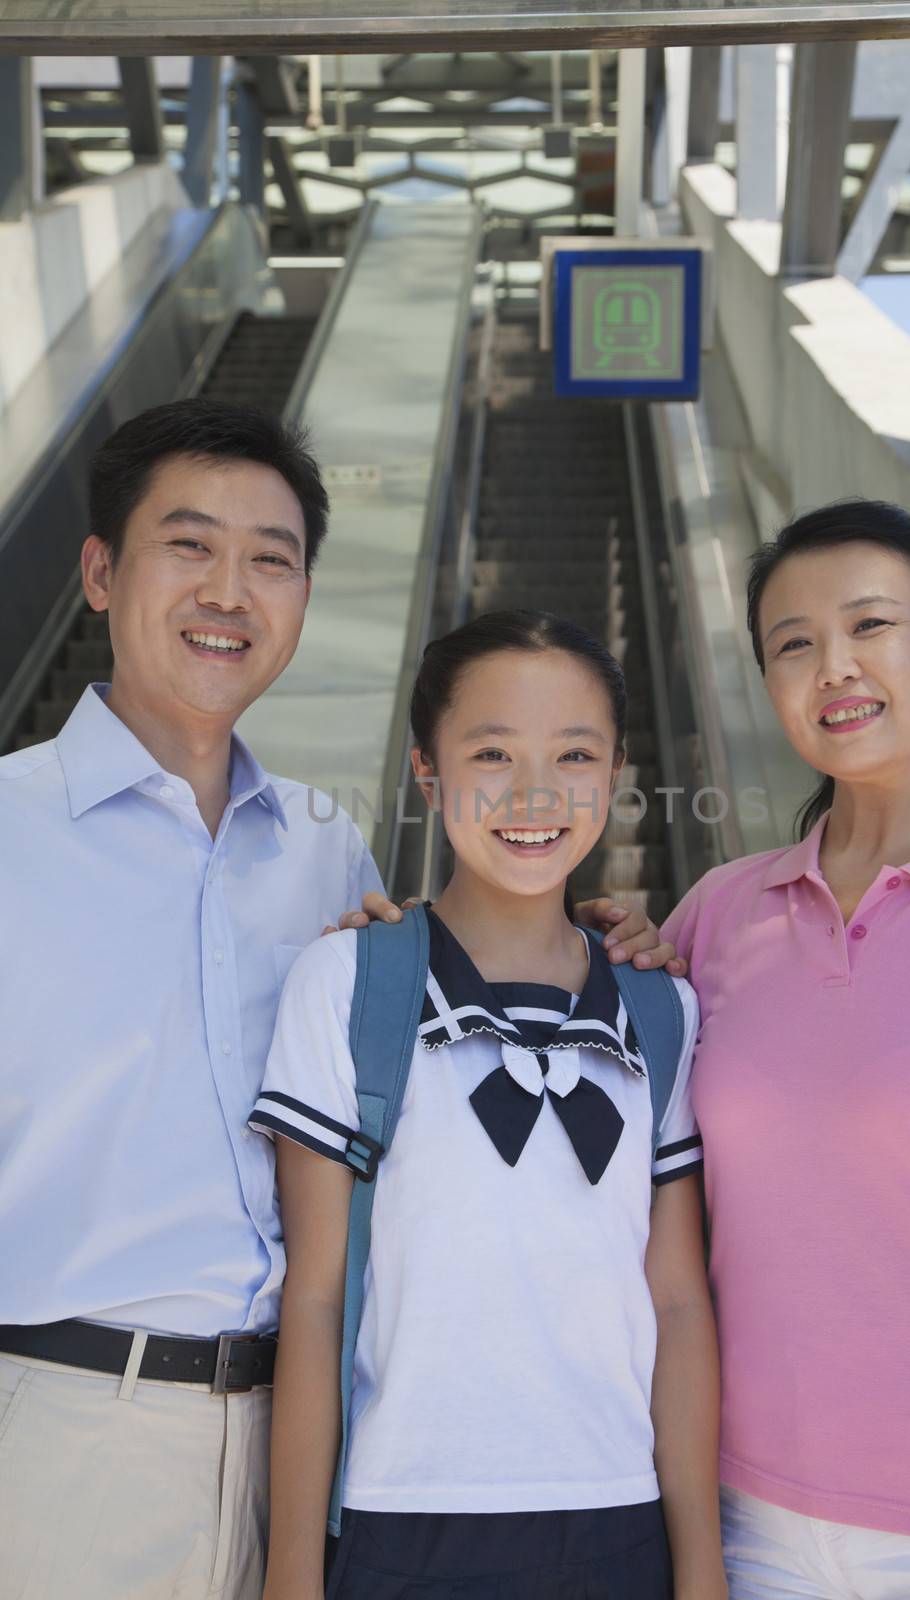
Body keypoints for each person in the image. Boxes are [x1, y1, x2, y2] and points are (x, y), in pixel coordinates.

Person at [0, 401, 672, 1600]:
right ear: (100, 572)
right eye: (188, 546)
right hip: (60, 1428)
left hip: (316, 1434)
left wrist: (595, 943)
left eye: (271, 558)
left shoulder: (325, 853)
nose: (230, 590)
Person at [251, 609, 727, 1600]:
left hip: (617, 1519)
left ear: (618, 771)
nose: (535, 792)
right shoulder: (347, 982)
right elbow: (317, 1294)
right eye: (491, 752)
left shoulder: (660, 1004)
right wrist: (293, 1573)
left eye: (574, 754)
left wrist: (699, 1568)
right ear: (427, 770)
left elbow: (678, 1302)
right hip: (399, 1522)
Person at [662, 500, 910, 1599]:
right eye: (792, 644)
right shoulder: (711, 915)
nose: (831, 666)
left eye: (869, 625)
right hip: (744, 1517)